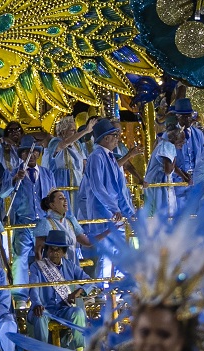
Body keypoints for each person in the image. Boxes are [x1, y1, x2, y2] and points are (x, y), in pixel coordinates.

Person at [77, 118, 135, 278]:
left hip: (116, 214)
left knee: (120, 251)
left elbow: (120, 189)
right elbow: (97, 187)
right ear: (106, 138)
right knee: (106, 254)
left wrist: (129, 212)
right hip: (103, 212)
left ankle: (118, 286)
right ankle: (103, 288)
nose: (117, 138)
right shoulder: (96, 157)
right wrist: (114, 208)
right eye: (114, 135)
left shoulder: (110, 157)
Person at [1, 136, 55, 297]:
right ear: (21, 155)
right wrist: (14, 179)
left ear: (38, 154)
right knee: (20, 258)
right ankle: (20, 296)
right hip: (22, 222)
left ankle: (48, 293)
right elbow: (3, 194)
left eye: (33, 152)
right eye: (26, 153)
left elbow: (54, 195)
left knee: (48, 256)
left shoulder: (46, 173)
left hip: (43, 222)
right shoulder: (12, 172)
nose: (30, 155)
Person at [27, 230, 93, 351]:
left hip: (64, 309)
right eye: (51, 249)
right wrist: (37, 304)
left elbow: (89, 281)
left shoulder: (70, 265)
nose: (54, 253)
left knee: (78, 312)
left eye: (58, 250)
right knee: (40, 315)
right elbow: (33, 288)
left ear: (64, 252)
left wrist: (79, 291)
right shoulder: (36, 266)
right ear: (47, 250)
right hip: (44, 308)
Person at [33, 188, 103, 271]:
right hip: (55, 270)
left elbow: (87, 242)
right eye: (61, 198)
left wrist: (110, 231)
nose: (65, 200)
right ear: (52, 205)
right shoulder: (45, 223)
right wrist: (43, 272)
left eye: (65, 198)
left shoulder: (70, 221)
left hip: (73, 267)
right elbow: (38, 251)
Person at [45, 115, 92, 215]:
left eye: (76, 130)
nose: (75, 133)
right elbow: (64, 144)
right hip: (62, 182)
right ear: (63, 132)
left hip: (77, 183)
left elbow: (84, 164)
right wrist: (85, 131)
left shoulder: (77, 144)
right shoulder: (55, 142)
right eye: (72, 130)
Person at [167, 98, 204, 205]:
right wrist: (182, 176)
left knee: (196, 211)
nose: (187, 119)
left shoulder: (199, 134)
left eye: (189, 116)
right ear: (177, 117)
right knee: (181, 212)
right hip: (177, 181)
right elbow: (167, 160)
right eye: (184, 116)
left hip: (196, 181)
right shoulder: (170, 134)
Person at [144, 126, 185, 219]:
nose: (183, 143)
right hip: (158, 183)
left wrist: (184, 177)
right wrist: (175, 159)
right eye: (181, 140)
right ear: (174, 139)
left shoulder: (165, 144)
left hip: (157, 181)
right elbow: (168, 170)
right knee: (162, 214)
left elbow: (172, 166)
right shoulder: (167, 146)